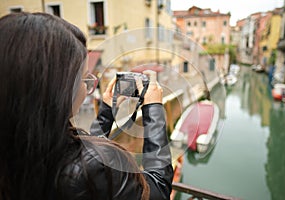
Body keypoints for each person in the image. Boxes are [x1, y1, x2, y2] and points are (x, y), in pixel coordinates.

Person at [0, 12, 173, 200]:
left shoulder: (25, 146)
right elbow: (158, 189)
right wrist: (154, 108)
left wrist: (107, 112)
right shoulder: (99, 167)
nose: (90, 86)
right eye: (84, 78)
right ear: (60, 90)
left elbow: (80, 154)